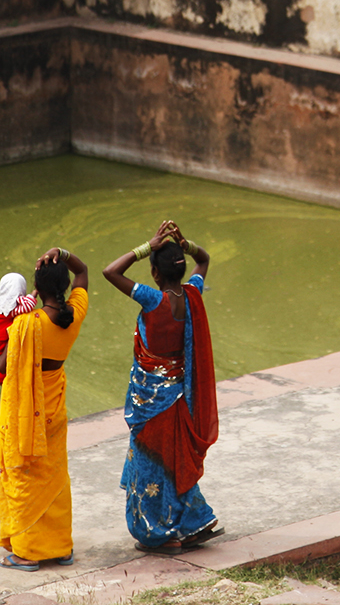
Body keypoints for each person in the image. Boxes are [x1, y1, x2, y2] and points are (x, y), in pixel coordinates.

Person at [103, 220, 220, 551]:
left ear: (155, 272)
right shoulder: (193, 294)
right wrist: (186, 244)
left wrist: (146, 247)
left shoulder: (153, 300)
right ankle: (195, 521)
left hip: (151, 400)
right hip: (179, 395)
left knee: (150, 464)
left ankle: (158, 534)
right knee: (174, 458)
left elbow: (110, 272)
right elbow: (205, 259)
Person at [0, 247, 88, 570]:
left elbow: (2, 363)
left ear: (37, 288)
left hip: (25, 415)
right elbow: (83, 273)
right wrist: (63, 253)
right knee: (54, 477)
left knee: (26, 476)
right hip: (54, 409)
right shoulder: (73, 316)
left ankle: (27, 551)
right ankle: (61, 548)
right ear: (63, 288)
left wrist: (17, 316)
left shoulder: (27, 324)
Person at [0, 272, 37, 386]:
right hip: (1, 342)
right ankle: (0, 378)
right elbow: (28, 306)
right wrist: (34, 293)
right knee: (8, 360)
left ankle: (0, 378)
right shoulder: (10, 310)